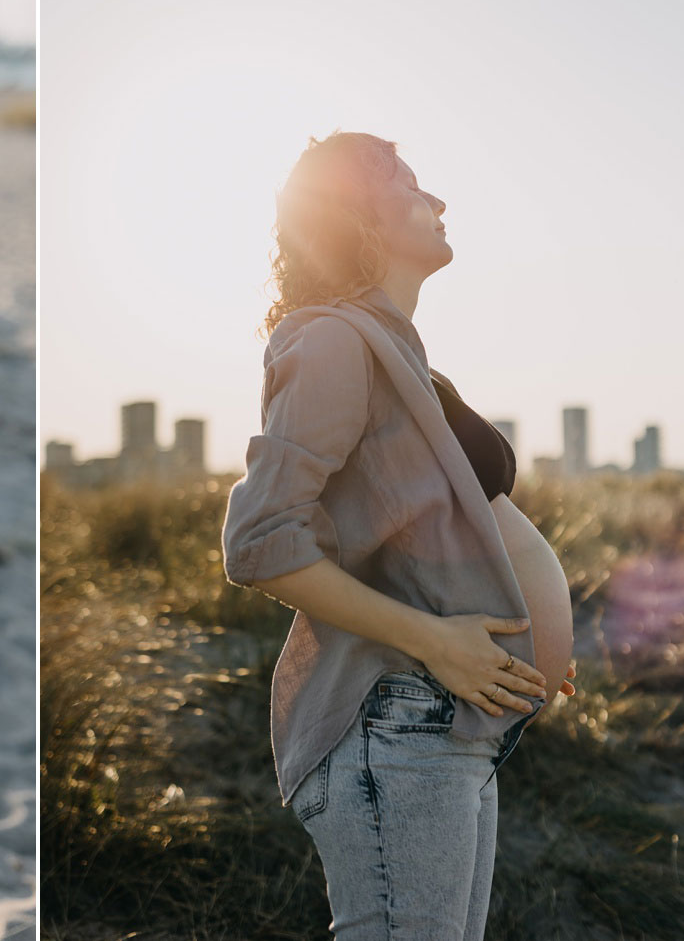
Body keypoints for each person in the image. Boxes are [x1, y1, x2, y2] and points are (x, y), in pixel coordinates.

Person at [221, 131, 578, 939]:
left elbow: (406, 531)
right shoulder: (333, 339)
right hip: (398, 724)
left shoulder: (395, 353)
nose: (439, 201)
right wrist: (438, 640)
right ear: (360, 218)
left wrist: (520, 634)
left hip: (450, 728)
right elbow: (260, 542)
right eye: (413, 187)